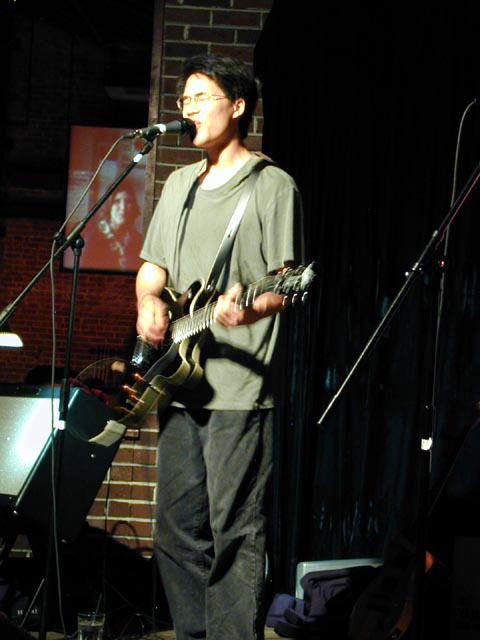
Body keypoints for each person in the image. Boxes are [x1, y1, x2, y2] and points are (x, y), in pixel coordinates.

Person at [135, 53, 304, 640]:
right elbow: (152, 268)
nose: (188, 109)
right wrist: (148, 301)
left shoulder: (272, 186)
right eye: (183, 100)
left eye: (200, 97)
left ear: (237, 106)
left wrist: (247, 307)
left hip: (239, 393)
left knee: (236, 531)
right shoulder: (179, 185)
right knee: (174, 532)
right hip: (181, 384)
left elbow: (286, 285)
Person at [82, 184, 143, 271]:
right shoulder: (94, 238)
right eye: (117, 201)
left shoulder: (138, 240)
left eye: (128, 201)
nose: (123, 208)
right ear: (109, 206)